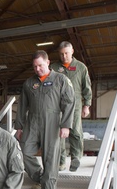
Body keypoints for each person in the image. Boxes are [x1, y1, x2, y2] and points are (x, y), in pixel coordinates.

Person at [15, 50, 76, 189]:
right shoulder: (29, 83)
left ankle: (49, 186)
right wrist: (19, 126)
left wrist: (66, 125)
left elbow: (69, 102)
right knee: (24, 152)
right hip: (32, 122)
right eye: (35, 66)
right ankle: (40, 177)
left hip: (52, 122)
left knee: (50, 158)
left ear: (48, 63)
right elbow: (22, 105)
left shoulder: (61, 80)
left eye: (40, 65)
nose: (37, 69)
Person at [50, 41, 92, 172]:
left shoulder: (80, 67)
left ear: (72, 51)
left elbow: (87, 88)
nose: (64, 56)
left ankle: (76, 158)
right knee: (59, 134)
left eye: (66, 53)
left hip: (76, 105)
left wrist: (87, 105)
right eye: (61, 54)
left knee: (76, 132)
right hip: (57, 105)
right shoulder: (54, 68)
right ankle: (61, 161)